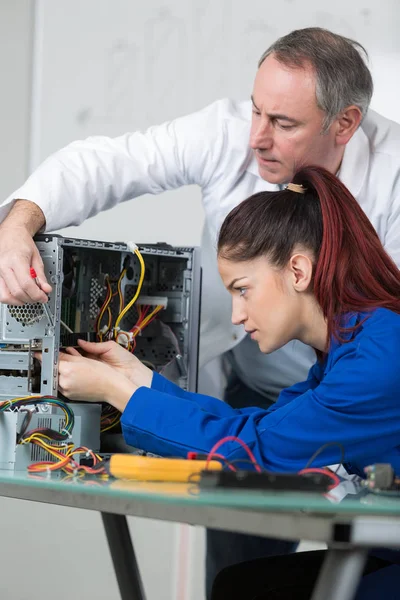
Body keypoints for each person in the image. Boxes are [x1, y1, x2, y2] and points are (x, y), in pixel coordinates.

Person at [1, 26, 400, 594]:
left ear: (345, 124)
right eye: (257, 111)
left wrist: (122, 395)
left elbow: (258, 448)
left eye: (283, 124)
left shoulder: (380, 340)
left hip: (344, 405)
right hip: (297, 398)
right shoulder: (230, 133)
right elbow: (108, 162)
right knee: (240, 576)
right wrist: (18, 225)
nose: (256, 137)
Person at [50, 165, 400, 598]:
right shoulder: (355, 344)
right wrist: (141, 380)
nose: (236, 316)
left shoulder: (378, 360)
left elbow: (254, 451)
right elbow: (263, 426)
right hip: (386, 549)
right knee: (240, 586)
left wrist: (117, 392)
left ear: (297, 272)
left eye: (243, 289)